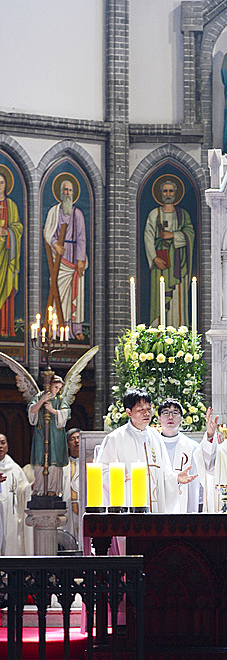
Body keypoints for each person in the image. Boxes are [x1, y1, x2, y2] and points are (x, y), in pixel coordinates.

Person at [96, 389, 196, 513]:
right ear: (128, 412)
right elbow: (100, 474)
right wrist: (118, 475)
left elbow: (165, 473)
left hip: (154, 509)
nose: (146, 413)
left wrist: (176, 478)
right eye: (140, 409)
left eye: (149, 408)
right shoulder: (115, 438)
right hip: (128, 506)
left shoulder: (156, 437)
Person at [144, 178, 195, 328]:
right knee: (159, 296)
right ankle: (157, 330)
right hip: (161, 261)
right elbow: (148, 236)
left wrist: (173, 235)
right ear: (160, 194)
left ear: (175, 193)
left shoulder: (183, 214)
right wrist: (154, 258)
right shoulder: (155, 214)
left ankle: (179, 329)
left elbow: (190, 233)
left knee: (178, 296)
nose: (168, 194)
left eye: (171, 191)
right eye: (165, 191)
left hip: (179, 262)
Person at [43, 178, 88, 340]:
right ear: (60, 193)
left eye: (70, 190)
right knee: (59, 293)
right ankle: (56, 329)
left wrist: (81, 259)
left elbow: (82, 237)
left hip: (74, 259)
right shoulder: (54, 212)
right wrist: (55, 244)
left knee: (75, 295)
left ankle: (75, 329)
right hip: (59, 259)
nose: (67, 193)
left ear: (73, 193)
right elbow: (47, 232)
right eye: (65, 190)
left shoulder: (78, 214)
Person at [28, 374, 70, 496]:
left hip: (56, 435)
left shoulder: (60, 399)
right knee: (40, 459)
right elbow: (32, 410)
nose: (58, 390)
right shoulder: (40, 396)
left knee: (54, 462)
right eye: (56, 387)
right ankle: (40, 489)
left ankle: (52, 489)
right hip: (41, 434)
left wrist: (52, 410)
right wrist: (42, 401)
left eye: (59, 388)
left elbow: (66, 413)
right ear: (49, 385)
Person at [158, 399, 201, 513]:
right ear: (159, 418)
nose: (170, 417)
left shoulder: (193, 448)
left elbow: (195, 485)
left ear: (181, 419)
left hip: (184, 507)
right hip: (158, 502)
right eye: (166, 413)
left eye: (175, 413)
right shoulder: (151, 445)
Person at [0, 434, 32, 555]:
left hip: (10, 516)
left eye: (3, 443)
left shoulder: (14, 468)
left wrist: (31, 487)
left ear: (7, 447)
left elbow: (23, 490)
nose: (0, 446)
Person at [0, 169, 23, 337]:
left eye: (1, 182)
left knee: (6, 287)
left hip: (7, 256)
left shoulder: (11, 205)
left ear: (6, 184)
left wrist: (7, 232)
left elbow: (18, 228)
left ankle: (6, 329)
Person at [62, 428, 81, 547]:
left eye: (79, 438)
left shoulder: (92, 464)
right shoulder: (63, 467)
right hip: (68, 510)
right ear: (67, 444)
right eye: (72, 439)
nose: (77, 441)